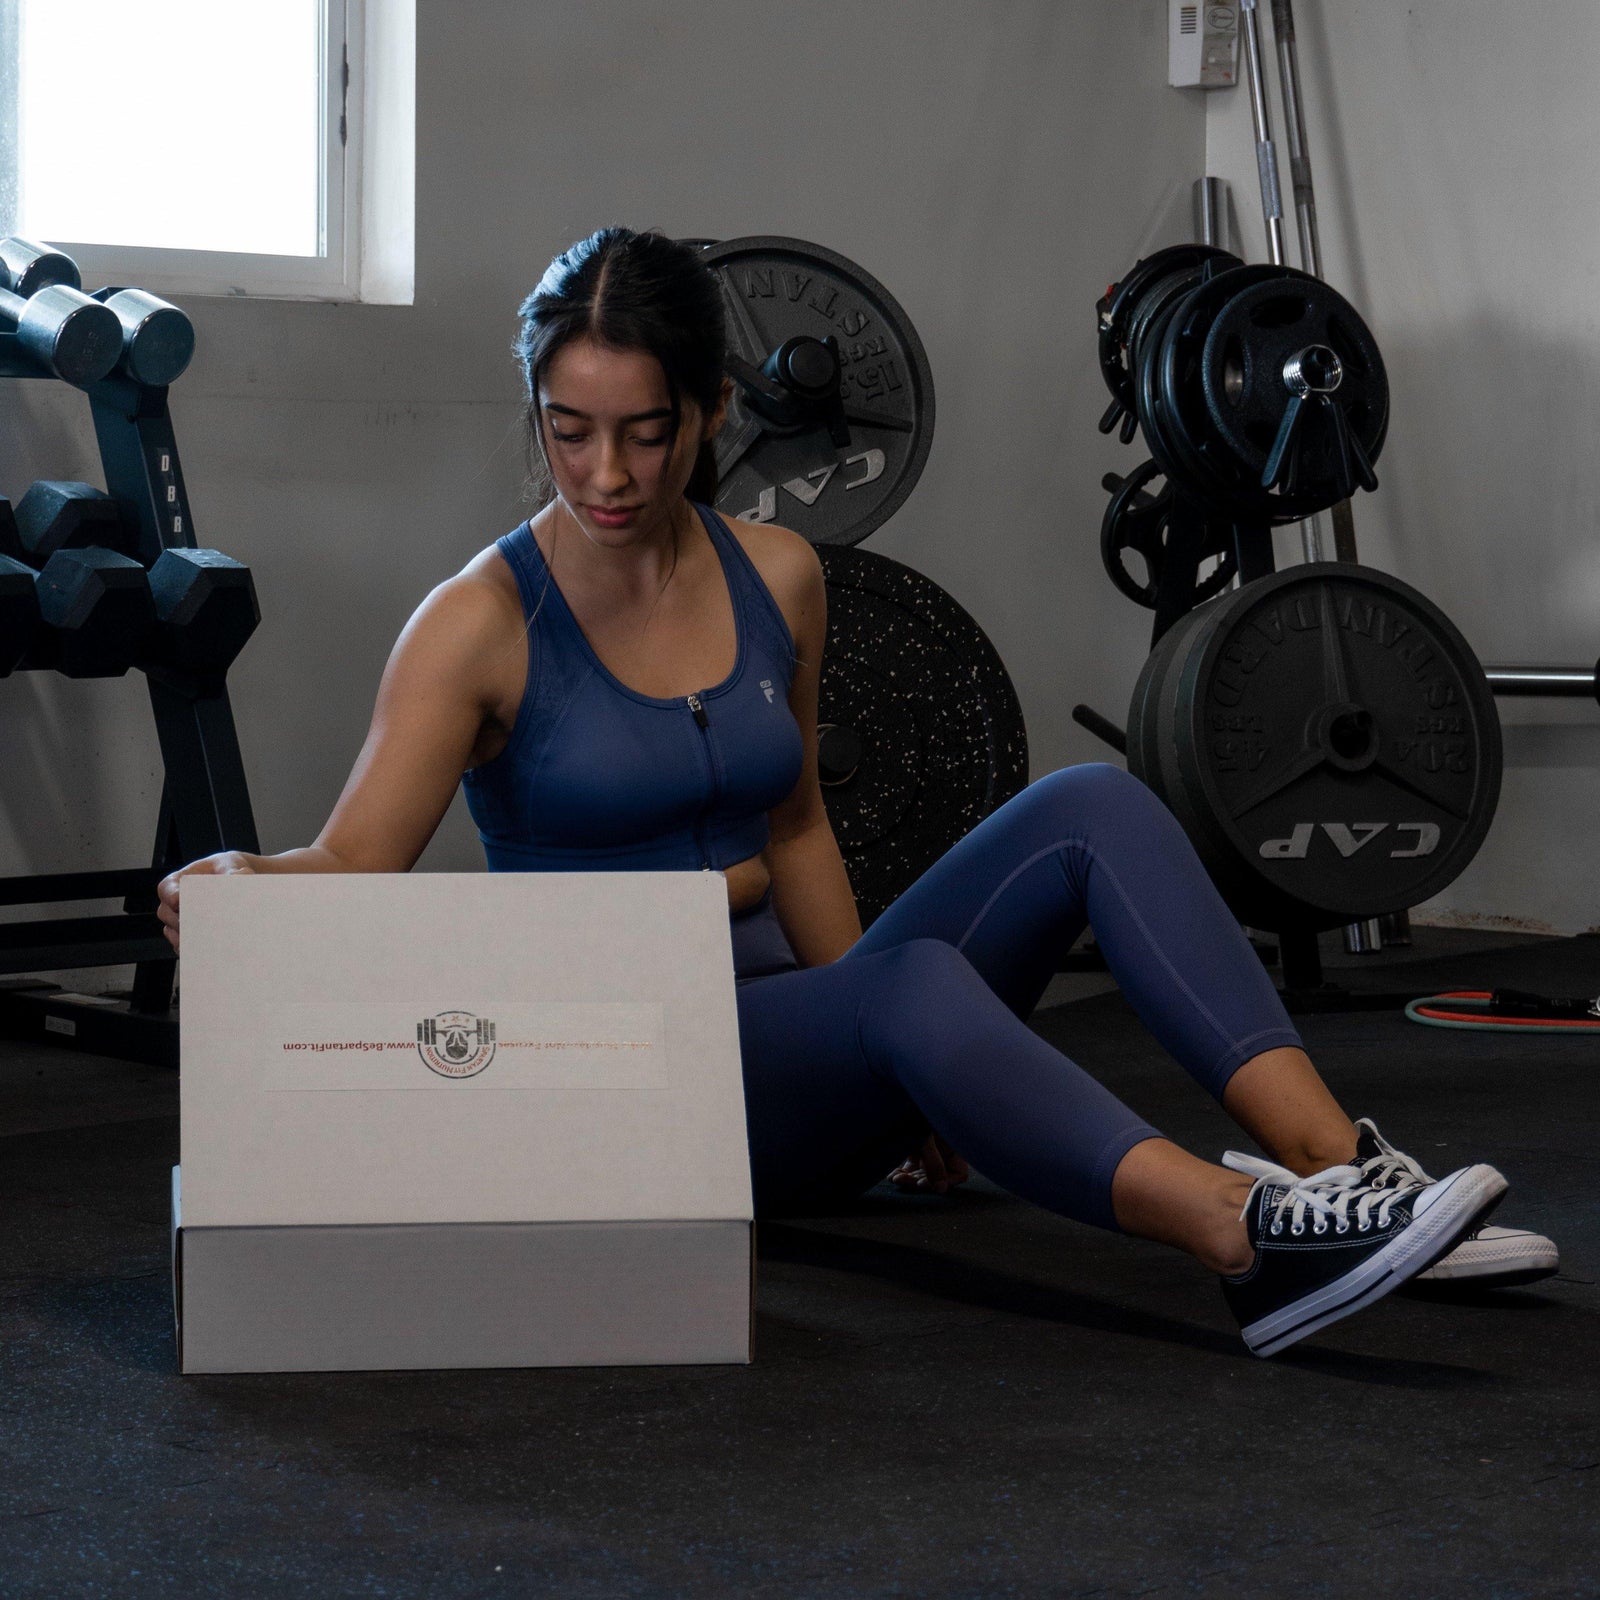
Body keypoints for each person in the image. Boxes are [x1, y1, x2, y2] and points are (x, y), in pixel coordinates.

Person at [156, 227, 1546, 1359]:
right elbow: (354, 859)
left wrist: (910, 1079)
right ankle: (1246, 1243)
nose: (606, 475)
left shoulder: (779, 574)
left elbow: (799, 821)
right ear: (538, 415)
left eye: (646, 433)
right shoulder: (475, 623)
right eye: (569, 432)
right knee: (912, 989)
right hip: (639, 1078)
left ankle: (1360, 1182)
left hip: (805, 1042)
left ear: (708, 416)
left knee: (1096, 810)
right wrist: (237, 884)